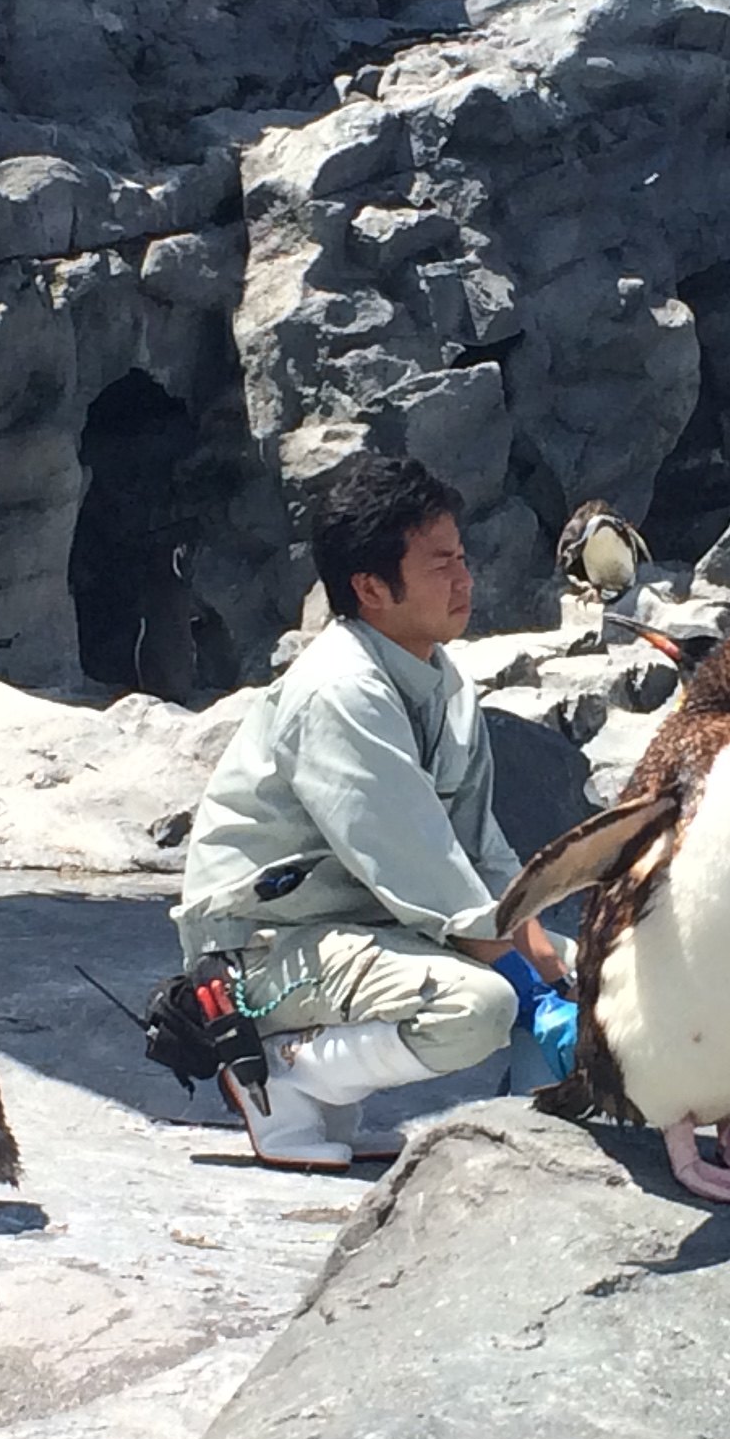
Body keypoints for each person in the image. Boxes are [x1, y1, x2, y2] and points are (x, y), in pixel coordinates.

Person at [172, 456, 568, 1171]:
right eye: (440, 563)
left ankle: (542, 1138)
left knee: (594, 973)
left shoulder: (441, 681)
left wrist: (550, 960)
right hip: (261, 946)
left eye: (462, 557)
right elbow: (420, 866)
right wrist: (530, 982)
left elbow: (481, 850)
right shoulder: (340, 690)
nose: (464, 579)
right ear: (371, 587)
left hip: (360, 927)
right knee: (477, 1007)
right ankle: (282, 1078)